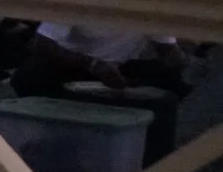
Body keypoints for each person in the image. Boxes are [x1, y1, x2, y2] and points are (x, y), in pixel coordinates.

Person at [12, 22, 190, 158]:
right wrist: (93, 64)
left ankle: (144, 145)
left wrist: (179, 60)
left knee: (171, 82)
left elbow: (166, 48)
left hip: (122, 67)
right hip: (75, 66)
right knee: (30, 75)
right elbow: (42, 43)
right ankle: (54, 131)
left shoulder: (147, 6)